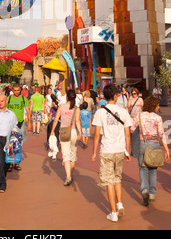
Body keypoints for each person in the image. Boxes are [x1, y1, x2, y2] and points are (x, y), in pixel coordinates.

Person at [91, 84, 132, 222]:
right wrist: (128, 150)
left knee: (109, 181)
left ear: (104, 96)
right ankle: (119, 203)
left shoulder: (100, 112)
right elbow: (127, 134)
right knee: (117, 178)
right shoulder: (124, 112)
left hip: (107, 150)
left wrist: (94, 152)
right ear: (116, 96)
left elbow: (96, 135)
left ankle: (113, 213)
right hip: (120, 149)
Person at [130, 96, 169, 206]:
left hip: (143, 143)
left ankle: (144, 190)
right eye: (157, 105)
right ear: (153, 105)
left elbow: (132, 129)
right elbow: (161, 134)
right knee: (153, 169)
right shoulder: (157, 118)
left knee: (142, 169)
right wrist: (166, 149)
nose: (158, 107)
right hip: (155, 144)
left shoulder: (140, 116)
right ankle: (152, 193)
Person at [51, 89, 82, 186]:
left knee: (66, 155)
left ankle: (68, 176)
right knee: (73, 155)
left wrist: (52, 130)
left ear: (67, 97)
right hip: (73, 132)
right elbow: (77, 121)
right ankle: (71, 175)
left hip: (64, 132)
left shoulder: (62, 107)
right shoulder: (77, 109)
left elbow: (56, 119)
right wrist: (80, 133)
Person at [6, 83, 31, 170]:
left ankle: (16, 162)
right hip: (10, 124)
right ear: (12, 90)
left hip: (20, 124)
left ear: (20, 90)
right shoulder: (8, 99)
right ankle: (9, 162)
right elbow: (4, 110)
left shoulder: (23, 99)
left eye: (18, 90)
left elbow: (28, 111)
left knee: (19, 143)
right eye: (15, 90)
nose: (16, 92)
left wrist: (30, 123)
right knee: (10, 143)